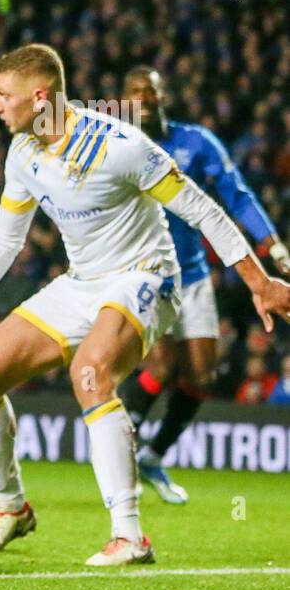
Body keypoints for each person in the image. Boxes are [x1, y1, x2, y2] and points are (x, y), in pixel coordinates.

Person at [0, 44, 290, 566]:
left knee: (90, 373)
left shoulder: (121, 145)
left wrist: (259, 282)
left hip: (146, 276)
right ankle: (12, 508)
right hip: (83, 282)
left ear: (40, 95)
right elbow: (5, 241)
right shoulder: (25, 154)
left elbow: (203, 210)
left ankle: (130, 535)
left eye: (4, 95)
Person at [116, 67, 289, 503]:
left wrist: (271, 246)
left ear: (163, 95)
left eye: (150, 91)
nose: (144, 99)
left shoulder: (196, 142)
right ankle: (123, 458)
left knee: (202, 374)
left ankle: (153, 455)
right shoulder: (113, 145)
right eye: (135, 92)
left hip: (191, 273)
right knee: (161, 368)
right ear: (123, 99)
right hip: (140, 272)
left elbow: (236, 193)